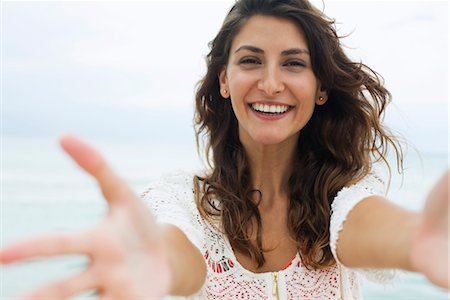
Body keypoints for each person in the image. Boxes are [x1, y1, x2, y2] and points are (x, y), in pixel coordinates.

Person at [0, 0, 448, 299]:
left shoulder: (345, 197)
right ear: (224, 80)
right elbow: (176, 254)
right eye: (250, 60)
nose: (271, 83)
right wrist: (152, 262)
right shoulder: (182, 202)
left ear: (322, 88)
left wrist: (419, 240)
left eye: (294, 63)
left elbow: (380, 231)